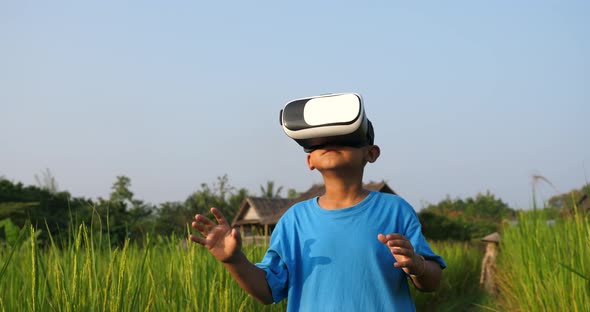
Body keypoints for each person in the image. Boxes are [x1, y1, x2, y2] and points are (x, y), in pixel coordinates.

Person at [190, 94, 446, 311]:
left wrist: (417, 265)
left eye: (344, 138)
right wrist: (234, 260)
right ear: (310, 161)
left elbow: (431, 282)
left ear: (371, 153)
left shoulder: (395, 210)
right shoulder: (294, 220)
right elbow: (269, 291)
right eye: (319, 142)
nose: (330, 144)